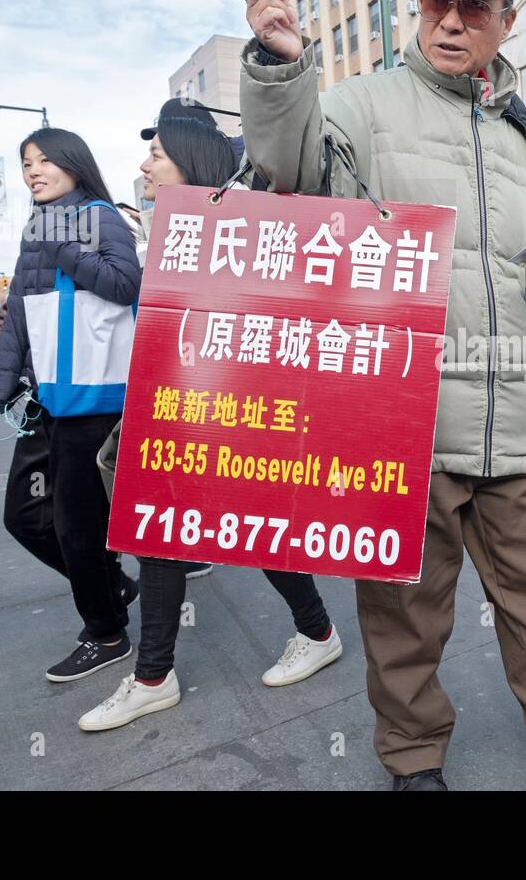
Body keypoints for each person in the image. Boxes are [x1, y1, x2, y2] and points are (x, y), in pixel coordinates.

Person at [222, 0, 526, 791]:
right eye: (435, 2)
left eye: (473, 7)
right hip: (401, 419)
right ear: (418, 9)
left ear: (503, 24)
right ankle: (413, 762)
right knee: (404, 616)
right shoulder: (359, 105)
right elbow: (282, 166)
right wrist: (278, 66)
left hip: (515, 415)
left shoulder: (521, 133)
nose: (450, 20)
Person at [78, 115, 343, 732]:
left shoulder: (247, 230)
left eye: (159, 156)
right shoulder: (166, 234)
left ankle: (315, 631)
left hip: (240, 411)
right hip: (178, 407)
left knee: (250, 523)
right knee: (163, 527)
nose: (145, 166)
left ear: (193, 166)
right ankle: (154, 675)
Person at [0, 128, 142, 684]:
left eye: (45, 159)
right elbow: (21, 311)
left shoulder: (99, 216)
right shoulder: (38, 225)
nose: (34, 170)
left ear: (74, 163)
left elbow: (126, 285)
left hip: (93, 395)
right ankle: (111, 584)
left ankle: (105, 631)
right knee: (24, 515)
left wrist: (64, 249)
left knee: (77, 523)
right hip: (46, 394)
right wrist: (3, 379)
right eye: (26, 162)